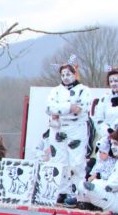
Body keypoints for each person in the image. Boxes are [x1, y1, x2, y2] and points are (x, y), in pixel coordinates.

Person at [38, 62, 91, 202]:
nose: (65, 77)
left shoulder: (83, 90)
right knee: (59, 160)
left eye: (68, 74)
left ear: (75, 74)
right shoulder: (55, 91)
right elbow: (49, 108)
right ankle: (62, 190)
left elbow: (80, 108)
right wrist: (68, 107)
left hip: (76, 128)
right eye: (63, 75)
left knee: (76, 162)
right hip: (58, 128)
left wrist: (59, 110)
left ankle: (78, 194)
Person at [75, 129, 118, 213]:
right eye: (111, 144)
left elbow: (112, 186)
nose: (112, 147)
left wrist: (96, 183)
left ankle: (87, 205)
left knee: (83, 186)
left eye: (115, 144)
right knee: (90, 185)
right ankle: (90, 205)